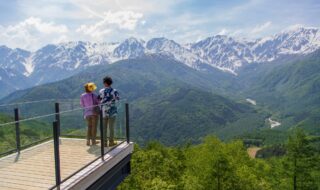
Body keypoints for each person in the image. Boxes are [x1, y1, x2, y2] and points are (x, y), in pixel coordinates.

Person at [98, 76, 120, 147]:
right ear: (110, 83)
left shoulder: (101, 91)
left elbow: (98, 99)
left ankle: (104, 143)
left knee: (104, 128)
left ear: (105, 83)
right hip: (112, 111)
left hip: (103, 111)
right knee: (111, 128)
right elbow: (117, 100)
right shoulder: (115, 91)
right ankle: (111, 142)